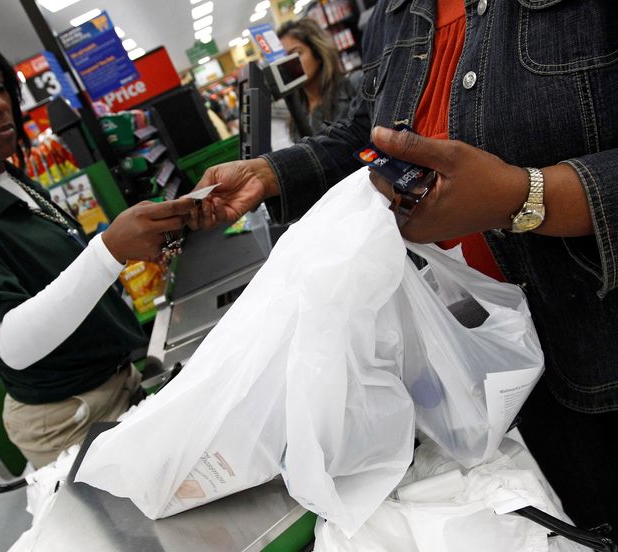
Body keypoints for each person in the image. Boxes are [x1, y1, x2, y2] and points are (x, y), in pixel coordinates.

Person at [191, 0, 618, 535]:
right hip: (490, 362)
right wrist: (271, 173)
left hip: (598, 348)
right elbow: (366, 135)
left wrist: (523, 196)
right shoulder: (397, 14)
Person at [0, 22, 195, 468]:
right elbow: (11, 344)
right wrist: (108, 251)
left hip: (113, 382)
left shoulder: (7, 176)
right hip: (69, 422)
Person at [277, 18, 362, 140]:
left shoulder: (355, 88)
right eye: (285, 58)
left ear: (317, 53)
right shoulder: (296, 114)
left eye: (296, 54)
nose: (289, 64)